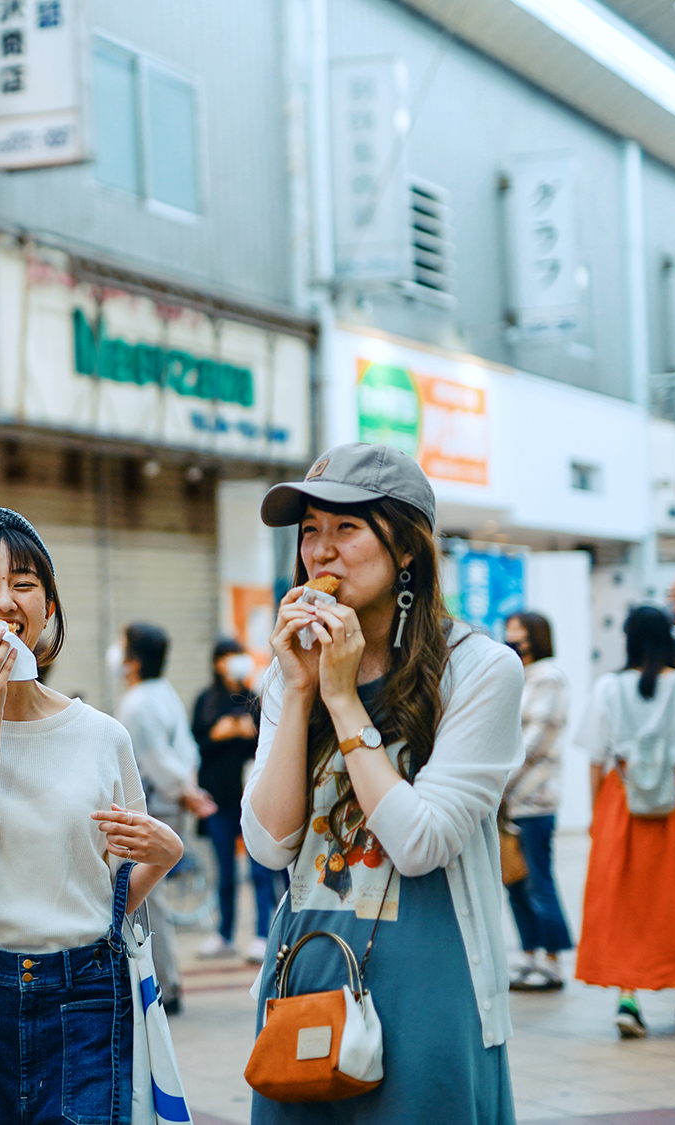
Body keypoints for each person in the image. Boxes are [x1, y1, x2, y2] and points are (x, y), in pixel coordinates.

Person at [242, 442, 523, 1125]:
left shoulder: (479, 669)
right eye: (310, 528)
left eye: (347, 527)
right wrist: (303, 688)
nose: (321, 551)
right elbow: (269, 843)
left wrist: (341, 700)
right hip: (306, 964)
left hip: (429, 983)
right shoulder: (291, 671)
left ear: (406, 549)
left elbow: (421, 841)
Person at [0, 507, 185, 1125]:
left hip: (85, 999)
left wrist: (165, 856)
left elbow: (106, 898)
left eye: (23, 584)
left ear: (48, 608)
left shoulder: (103, 737)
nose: (3, 602)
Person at [572, 606, 675, 1039]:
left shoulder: (608, 687)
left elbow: (594, 757)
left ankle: (628, 997)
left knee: (625, 901)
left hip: (621, 804)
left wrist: (595, 815)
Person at [116, 621, 216, 1012]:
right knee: (148, 899)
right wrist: (188, 788)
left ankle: (163, 988)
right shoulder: (164, 693)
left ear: (133, 658)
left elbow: (156, 759)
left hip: (150, 809)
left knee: (144, 900)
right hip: (167, 807)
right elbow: (185, 750)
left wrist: (185, 791)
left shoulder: (138, 702)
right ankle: (163, 984)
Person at [191, 637, 285, 962]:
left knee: (261, 871)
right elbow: (199, 744)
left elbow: (269, 743)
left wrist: (247, 732)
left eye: (238, 655)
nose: (235, 661)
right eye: (228, 656)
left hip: (252, 797)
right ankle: (224, 934)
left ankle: (262, 934)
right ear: (217, 662)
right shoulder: (206, 700)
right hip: (218, 799)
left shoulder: (255, 698)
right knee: (225, 872)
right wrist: (220, 733)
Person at [501, 612, 573, 992]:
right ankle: (529, 956)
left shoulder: (550, 677)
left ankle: (552, 961)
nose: (515, 644)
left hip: (535, 800)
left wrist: (498, 779)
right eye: (510, 636)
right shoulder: (518, 676)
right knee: (514, 881)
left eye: (522, 637)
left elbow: (534, 742)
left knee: (538, 883)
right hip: (509, 802)